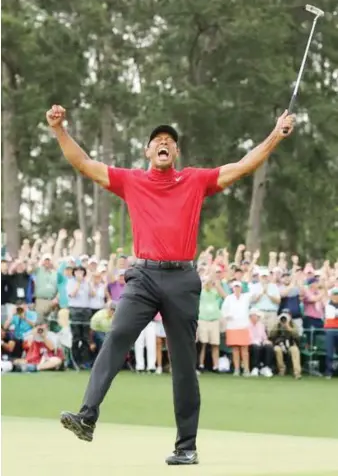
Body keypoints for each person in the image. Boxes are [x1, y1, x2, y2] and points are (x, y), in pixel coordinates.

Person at [46, 103, 294, 465]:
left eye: (170, 141)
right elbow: (84, 163)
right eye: (157, 140)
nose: (164, 143)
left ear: (175, 152)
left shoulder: (194, 180)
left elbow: (242, 166)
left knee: (183, 363)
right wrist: (59, 130)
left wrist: (275, 135)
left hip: (182, 278)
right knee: (117, 338)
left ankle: (186, 447)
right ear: (148, 151)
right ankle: (87, 416)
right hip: (143, 276)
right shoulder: (132, 180)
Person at [270, 310, 301, 379]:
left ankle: (297, 372)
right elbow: (271, 335)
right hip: (280, 345)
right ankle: (282, 370)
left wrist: (289, 328)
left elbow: (297, 336)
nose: (284, 320)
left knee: (295, 350)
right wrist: (278, 326)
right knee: (277, 349)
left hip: (291, 345)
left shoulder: (293, 324)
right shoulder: (277, 325)